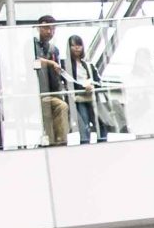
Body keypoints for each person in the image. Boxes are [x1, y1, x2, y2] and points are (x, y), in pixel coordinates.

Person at [34, 15, 72, 147]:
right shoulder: (31, 45)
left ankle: (55, 142)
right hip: (38, 93)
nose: (50, 32)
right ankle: (61, 142)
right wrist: (51, 63)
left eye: (53, 29)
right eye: (46, 28)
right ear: (38, 28)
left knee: (58, 112)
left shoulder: (54, 49)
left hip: (53, 90)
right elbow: (34, 61)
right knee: (61, 106)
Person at [67, 34, 106, 143]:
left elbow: (99, 81)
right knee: (84, 126)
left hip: (91, 97)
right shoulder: (66, 65)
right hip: (79, 99)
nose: (77, 48)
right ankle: (85, 145)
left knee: (100, 124)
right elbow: (68, 82)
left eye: (79, 45)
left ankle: (103, 144)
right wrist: (83, 87)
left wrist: (92, 86)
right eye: (73, 45)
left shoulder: (88, 65)